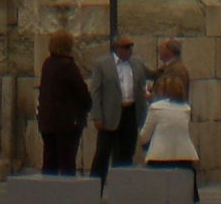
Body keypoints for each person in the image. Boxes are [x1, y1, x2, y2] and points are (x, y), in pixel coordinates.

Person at [88, 32, 150, 181]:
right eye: (126, 47)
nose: (130, 50)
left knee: (126, 153)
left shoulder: (137, 63)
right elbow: (95, 91)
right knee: (103, 153)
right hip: (110, 114)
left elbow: (150, 75)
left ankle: (121, 188)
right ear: (116, 48)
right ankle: (95, 189)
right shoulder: (103, 64)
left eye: (131, 47)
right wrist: (97, 116)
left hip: (130, 112)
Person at [36, 29, 91, 176]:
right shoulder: (68, 66)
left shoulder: (47, 64)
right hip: (66, 123)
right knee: (67, 162)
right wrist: (86, 106)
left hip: (47, 122)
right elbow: (82, 92)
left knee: (49, 161)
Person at [139, 68, 200, 200]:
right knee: (185, 197)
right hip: (184, 157)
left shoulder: (156, 108)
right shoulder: (186, 109)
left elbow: (144, 137)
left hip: (159, 157)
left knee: (158, 197)